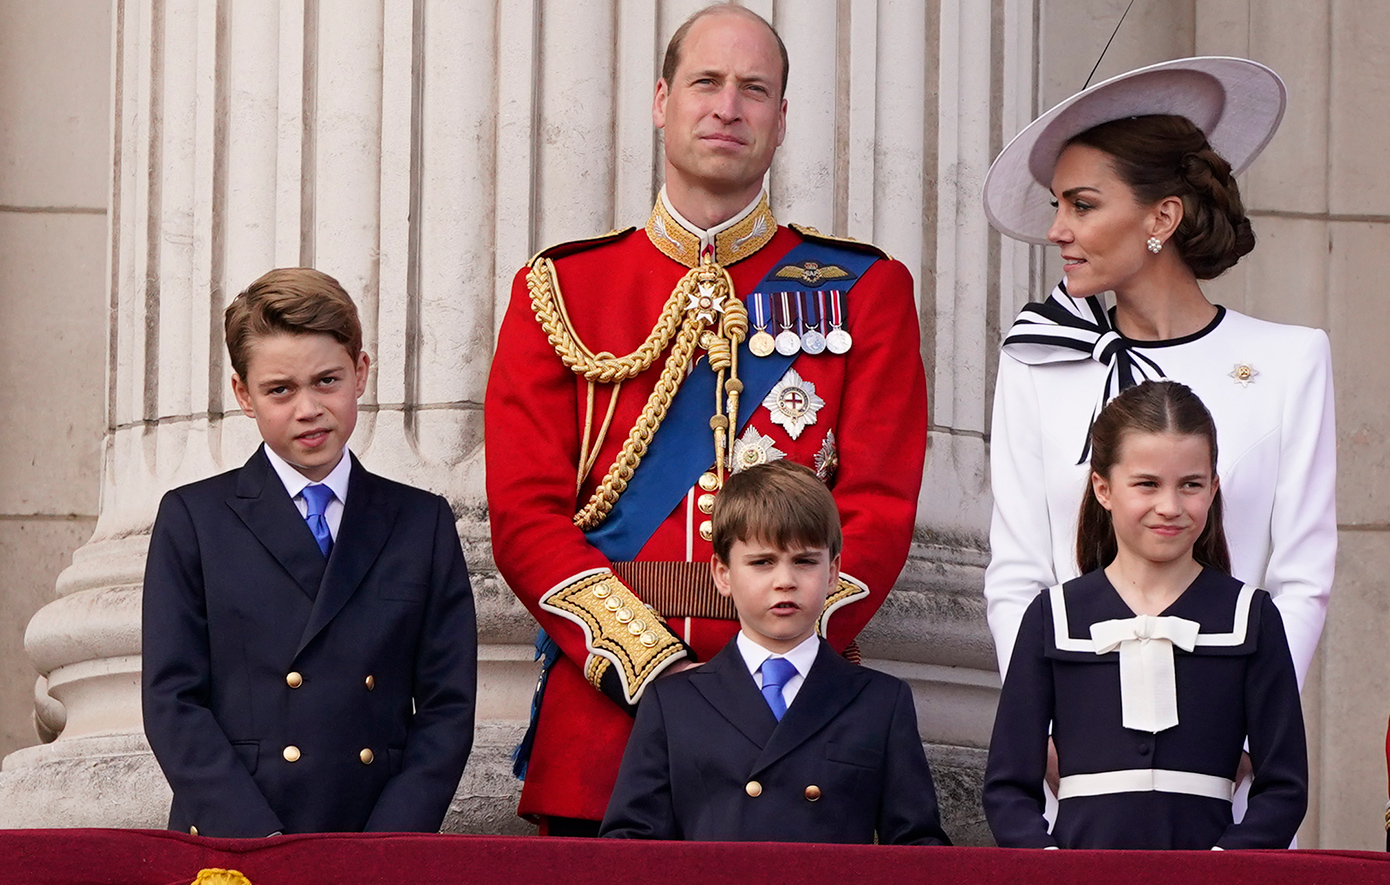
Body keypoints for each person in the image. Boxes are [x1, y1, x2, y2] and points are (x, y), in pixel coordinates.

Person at [485, 3, 927, 834]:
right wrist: (651, 667)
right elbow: (524, 516)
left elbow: (879, 506)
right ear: (662, 100)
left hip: (797, 727)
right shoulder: (562, 290)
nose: (729, 106)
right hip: (606, 728)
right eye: (707, 82)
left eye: (755, 89)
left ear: (782, 119)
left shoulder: (866, 289)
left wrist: (772, 661)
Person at [981, 57, 1335, 696]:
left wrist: (1256, 724)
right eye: (1056, 205)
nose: (1057, 229)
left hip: (1227, 736)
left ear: (1161, 219)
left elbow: (1302, 579)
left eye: (1081, 205)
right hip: (1077, 738)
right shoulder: (1037, 360)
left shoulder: (1291, 360)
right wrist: (1041, 725)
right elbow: (1016, 575)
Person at [141, 268, 478, 837]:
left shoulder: (422, 522)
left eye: (327, 381)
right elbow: (173, 700)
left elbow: (448, 707)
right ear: (244, 395)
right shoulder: (194, 519)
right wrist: (254, 840)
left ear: (361, 373)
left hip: (375, 834)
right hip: (239, 835)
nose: (308, 408)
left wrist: (389, 844)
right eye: (280, 389)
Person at [983, 380, 1307, 849]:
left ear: (1213, 488)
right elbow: (1008, 785)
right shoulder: (1052, 615)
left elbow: (1284, 786)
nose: (1170, 507)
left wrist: (1224, 865)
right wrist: (1048, 862)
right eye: (1147, 484)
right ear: (1103, 487)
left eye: (1190, 485)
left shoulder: (1251, 616)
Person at [600, 460, 950, 845]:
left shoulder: (880, 702)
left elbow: (918, 849)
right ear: (723, 574)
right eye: (762, 563)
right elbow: (630, 847)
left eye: (804, 561)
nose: (785, 581)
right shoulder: (673, 702)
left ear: (833, 573)